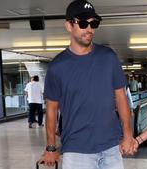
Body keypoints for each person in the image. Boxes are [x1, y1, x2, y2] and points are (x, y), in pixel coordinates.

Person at [41, 0, 136, 168]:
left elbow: (121, 98)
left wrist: (128, 135)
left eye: (94, 23)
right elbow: (51, 109)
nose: (89, 29)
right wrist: (50, 146)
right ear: (69, 26)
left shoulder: (108, 57)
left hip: (111, 147)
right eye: (83, 23)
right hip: (76, 150)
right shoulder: (57, 67)